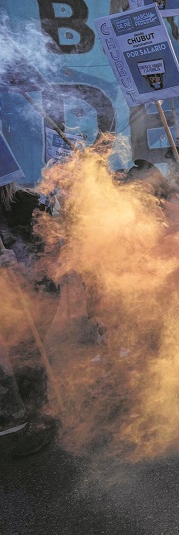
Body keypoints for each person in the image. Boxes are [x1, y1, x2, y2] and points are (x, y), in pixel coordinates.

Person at [0, 182, 58, 457]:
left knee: (27, 354)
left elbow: (52, 250)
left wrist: (19, 264)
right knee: (16, 352)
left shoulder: (29, 202)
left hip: (35, 290)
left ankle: (41, 421)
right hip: (7, 295)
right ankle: (25, 417)